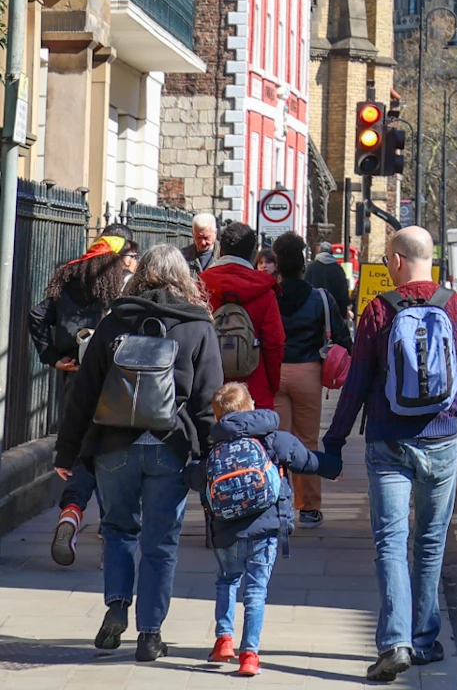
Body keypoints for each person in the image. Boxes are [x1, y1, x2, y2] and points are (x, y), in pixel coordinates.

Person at [323, 226, 457, 682]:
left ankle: (395, 643)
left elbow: (356, 384)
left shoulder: (378, 310)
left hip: (388, 441)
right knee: (430, 544)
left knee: (390, 543)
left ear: (395, 260)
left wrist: (333, 443)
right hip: (442, 441)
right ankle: (426, 640)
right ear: (430, 260)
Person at [54, 245, 223, 662]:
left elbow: (85, 393)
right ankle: (150, 635)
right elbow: (207, 400)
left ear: (142, 273)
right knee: (161, 543)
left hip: (114, 445)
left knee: (118, 530)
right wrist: (208, 454)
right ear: (184, 277)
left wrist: (67, 452)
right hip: (170, 446)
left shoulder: (116, 320)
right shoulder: (198, 324)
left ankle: (115, 606)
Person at [187, 382, 338, 677]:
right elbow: (306, 461)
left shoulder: (215, 447)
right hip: (265, 528)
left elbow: (195, 479)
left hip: (225, 530)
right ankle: (250, 655)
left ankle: (224, 641)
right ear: (251, 407)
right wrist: (333, 466)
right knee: (255, 591)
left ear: (218, 416)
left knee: (227, 581)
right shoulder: (274, 440)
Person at [32, 228, 138, 565]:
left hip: (75, 375)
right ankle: (110, 530)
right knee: (111, 450)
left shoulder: (69, 273)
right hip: (113, 377)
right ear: (121, 253)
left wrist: (53, 357)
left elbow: (37, 315)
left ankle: (71, 514)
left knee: (80, 448)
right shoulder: (118, 282)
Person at [273, 232, 350, 527]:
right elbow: (342, 337)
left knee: (275, 440)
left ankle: (276, 502)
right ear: (303, 264)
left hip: (275, 371)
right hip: (308, 371)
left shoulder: (268, 295)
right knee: (306, 440)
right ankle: (308, 508)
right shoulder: (320, 297)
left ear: (277, 265)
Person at [201, 223, 286, 409]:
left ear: (221, 249)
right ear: (252, 253)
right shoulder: (264, 290)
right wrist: (272, 385)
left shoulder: (201, 285)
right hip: (254, 389)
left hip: (211, 388)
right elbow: (274, 343)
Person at [306, 244, 354, 338]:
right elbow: (343, 293)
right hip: (334, 313)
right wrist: (343, 314)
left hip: (313, 312)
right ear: (332, 254)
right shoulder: (338, 269)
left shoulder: (311, 267)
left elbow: (304, 288)